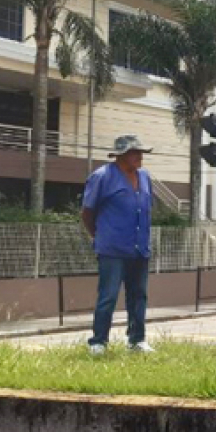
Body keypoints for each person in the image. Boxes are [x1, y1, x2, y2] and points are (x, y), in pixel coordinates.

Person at [81, 135, 155, 355]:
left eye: (141, 153)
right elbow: (87, 213)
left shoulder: (145, 177)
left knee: (138, 295)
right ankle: (98, 342)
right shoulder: (102, 176)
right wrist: (99, 236)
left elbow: (147, 207)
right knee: (109, 295)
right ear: (122, 156)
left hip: (139, 248)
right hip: (112, 249)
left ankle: (137, 340)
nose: (140, 157)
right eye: (135, 153)